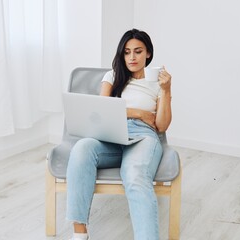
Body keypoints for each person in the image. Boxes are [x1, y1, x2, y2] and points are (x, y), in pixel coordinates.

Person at [66, 28, 172, 240]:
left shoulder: (158, 83)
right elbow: (99, 111)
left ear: (148, 53)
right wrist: (139, 113)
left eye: (138, 51)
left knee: (134, 175)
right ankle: (79, 235)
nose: (131, 57)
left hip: (143, 137)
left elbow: (161, 125)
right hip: (111, 134)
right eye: (126, 52)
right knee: (82, 148)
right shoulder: (112, 76)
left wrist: (167, 90)